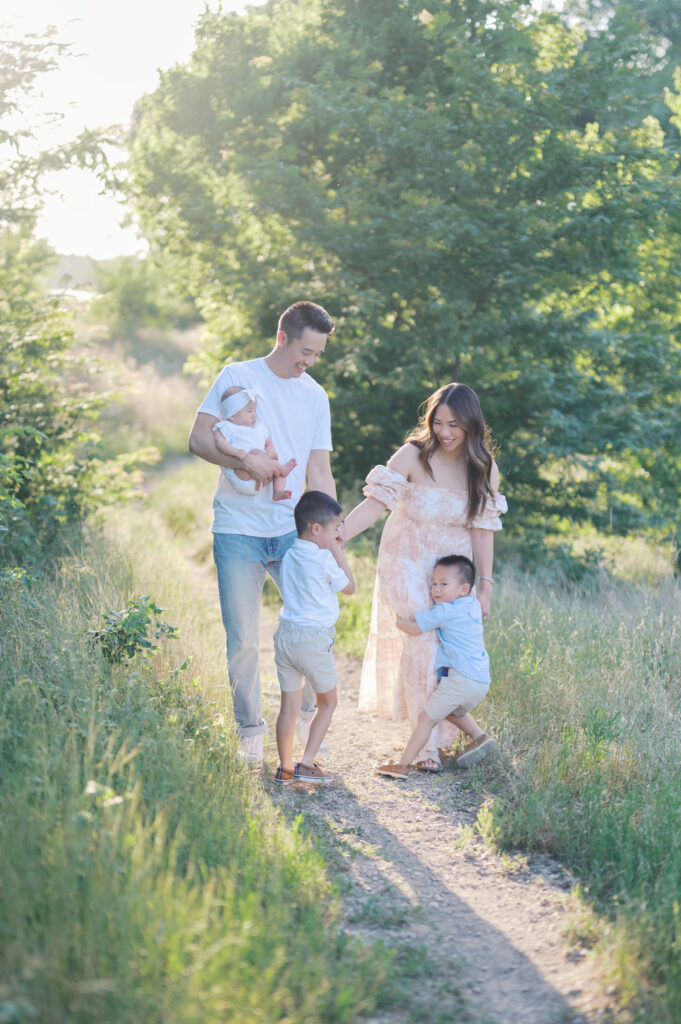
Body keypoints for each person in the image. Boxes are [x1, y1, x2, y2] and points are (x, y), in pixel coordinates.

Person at [188, 301, 337, 764]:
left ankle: (310, 727)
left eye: (317, 354)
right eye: (305, 351)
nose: (309, 362)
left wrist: (333, 531)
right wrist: (244, 460)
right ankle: (250, 731)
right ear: (282, 338)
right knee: (244, 638)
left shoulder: (315, 396)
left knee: (310, 627)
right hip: (238, 530)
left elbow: (319, 468)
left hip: (295, 533)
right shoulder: (238, 375)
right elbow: (197, 439)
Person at [343, 382, 506, 771]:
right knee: (421, 637)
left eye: (454, 424)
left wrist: (484, 587)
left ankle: (444, 735)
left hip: (452, 567)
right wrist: (337, 537)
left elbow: (482, 531)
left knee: (443, 650)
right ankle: (427, 751)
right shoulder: (414, 455)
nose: (445, 432)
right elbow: (374, 503)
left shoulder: (482, 467)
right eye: (438, 423)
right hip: (405, 556)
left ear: (472, 424)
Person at [376, 554, 495, 779]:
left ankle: (403, 764)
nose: (436, 590)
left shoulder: (445, 611)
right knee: (450, 710)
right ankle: (480, 738)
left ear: (463, 588)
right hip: (481, 681)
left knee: (427, 719)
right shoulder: (473, 605)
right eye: (434, 584)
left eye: (443, 584)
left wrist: (398, 620)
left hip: (460, 680)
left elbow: (414, 628)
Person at [273, 491, 355, 785]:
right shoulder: (323, 558)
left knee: (289, 707)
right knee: (328, 703)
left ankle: (284, 767)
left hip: (286, 636)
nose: (338, 534)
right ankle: (306, 764)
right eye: (336, 528)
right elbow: (349, 587)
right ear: (316, 529)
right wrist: (337, 552)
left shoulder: (289, 552)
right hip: (313, 638)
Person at [212, 385, 297, 501]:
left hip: (264, 475)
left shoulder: (258, 428)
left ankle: (277, 492)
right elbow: (219, 442)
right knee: (256, 452)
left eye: (254, 411)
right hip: (243, 475)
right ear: (232, 415)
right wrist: (236, 452)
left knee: (276, 466)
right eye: (249, 411)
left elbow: (268, 442)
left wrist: (271, 452)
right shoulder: (228, 427)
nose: (254, 415)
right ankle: (280, 469)